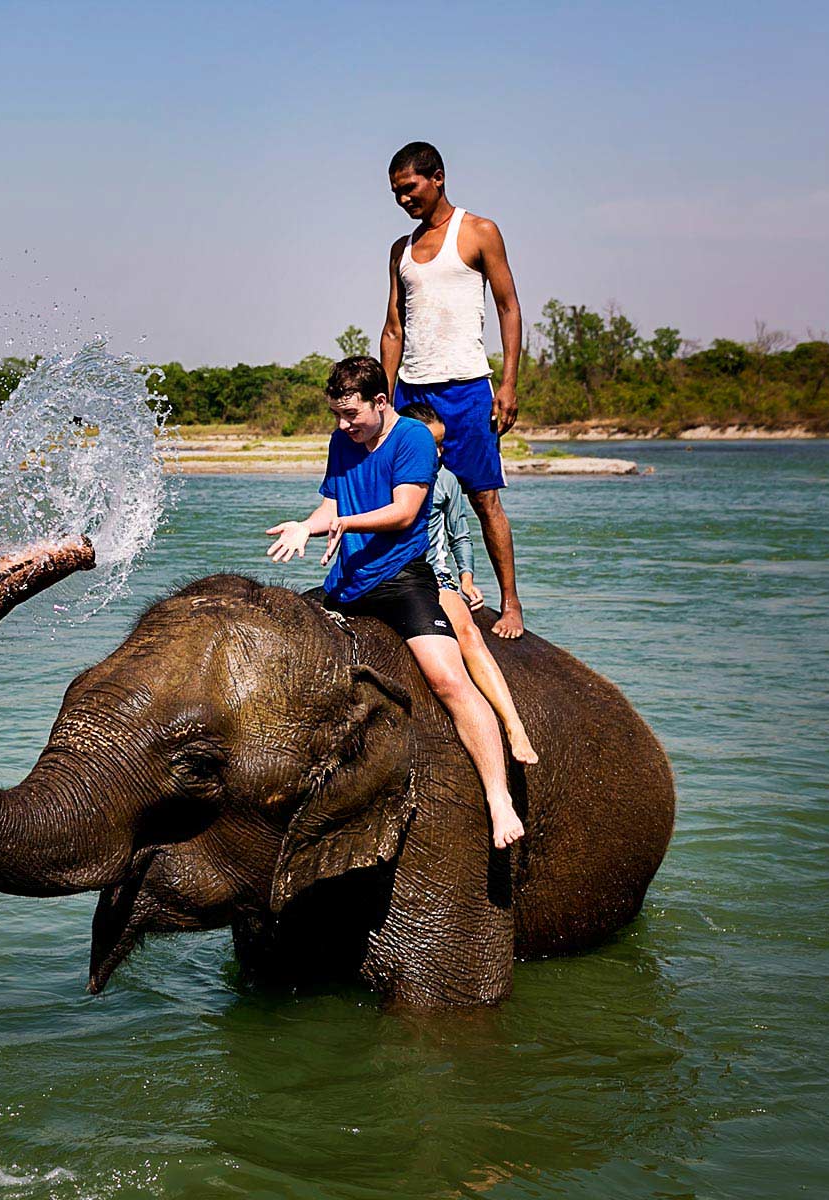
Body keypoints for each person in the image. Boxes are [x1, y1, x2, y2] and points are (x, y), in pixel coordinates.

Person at [264, 356, 524, 850]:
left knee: (449, 680)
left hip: (402, 581)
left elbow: (405, 513)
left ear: (381, 403)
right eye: (338, 417)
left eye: (352, 416)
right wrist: (307, 524)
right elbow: (332, 505)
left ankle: (498, 797)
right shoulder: (343, 441)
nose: (344, 426)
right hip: (347, 583)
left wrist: (344, 524)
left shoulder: (414, 438)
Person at [382, 140, 529, 638]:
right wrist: (384, 403)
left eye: (410, 188)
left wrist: (507, 383)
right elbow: (393, 330)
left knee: (485, 499)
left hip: (468, 390)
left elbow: (509, 307)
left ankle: (510, 605)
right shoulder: (400, 251)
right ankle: (408, 589)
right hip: (411, 392)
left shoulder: (479, 231)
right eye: (396, 193)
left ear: (438, 177)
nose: (404, 200)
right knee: (405, 497)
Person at [419, 410, 539, 765]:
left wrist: (466, 577)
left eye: (442, 445)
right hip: (398, 576)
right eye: (432, 446)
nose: (439, 454)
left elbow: (460, 534)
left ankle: (514, 725)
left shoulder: (447, 481)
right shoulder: (391, 476)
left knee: (469, 635)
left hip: (437, 577)